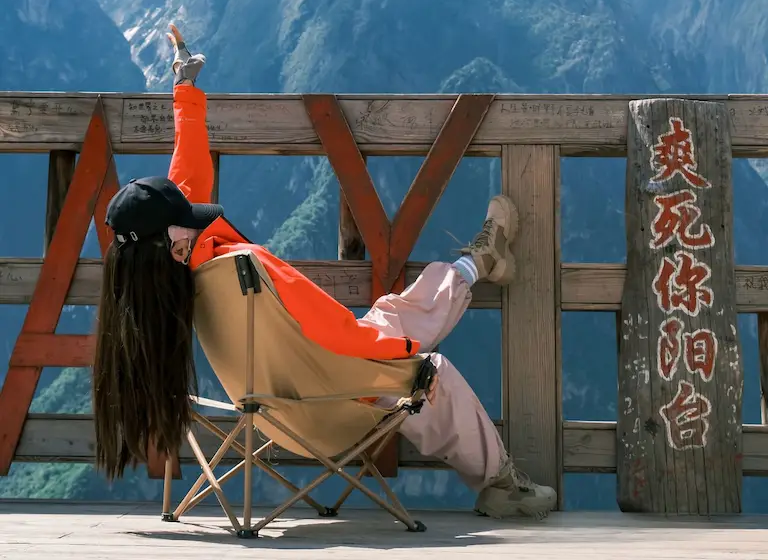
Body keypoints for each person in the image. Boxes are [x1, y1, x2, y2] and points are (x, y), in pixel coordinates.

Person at [92, 25, 557, 521]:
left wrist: (185, 89)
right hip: (327, 403)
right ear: (171, 240)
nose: (192, 221)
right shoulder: (243, 272)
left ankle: (477, 263)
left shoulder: (169, 277)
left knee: (392, 312)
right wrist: (405, 358)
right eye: (183, 225)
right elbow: (333, 330)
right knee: (430, 371)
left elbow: (187, 178)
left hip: (274, 404)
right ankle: (502, 484)